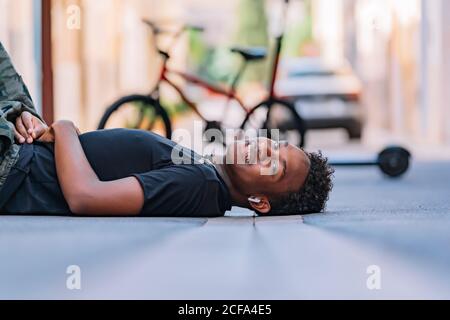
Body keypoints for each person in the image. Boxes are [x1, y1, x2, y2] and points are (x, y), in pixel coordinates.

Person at [0, 42, 334, 217]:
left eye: (275, 164)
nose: (265, 148)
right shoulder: (202, 171)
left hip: (14, 167)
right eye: (276, 144)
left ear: (260, 201)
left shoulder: (199, 184)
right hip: (23, 150)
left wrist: (65, 128)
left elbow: (85, 198)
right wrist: (34, 122)